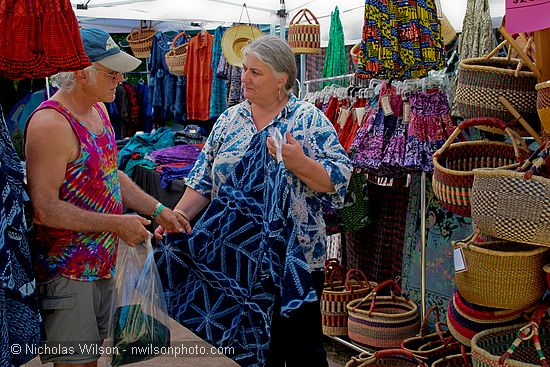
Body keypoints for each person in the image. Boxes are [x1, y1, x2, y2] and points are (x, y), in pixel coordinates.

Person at [155, 35, 352, 367]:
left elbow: (339, 180)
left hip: (297, 262)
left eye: (255, 72)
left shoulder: (308, 121)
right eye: (244, 69)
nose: (244, 78)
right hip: (235, 263)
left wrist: (299, 163)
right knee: (252, 351)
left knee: (304, 351)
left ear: (282, 79)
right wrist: (177, 217)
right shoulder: (229, 122)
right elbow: (202, 182)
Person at [24, 28, 184, 367]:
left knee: (92, 357)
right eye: (112, 72)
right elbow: (44, 209)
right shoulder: (50, 125)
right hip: (68, 273)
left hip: (103, 264)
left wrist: (157, 209)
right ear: (82, 72)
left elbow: (111, 174)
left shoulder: (99, 112)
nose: (120, 79)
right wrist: (117, 224)